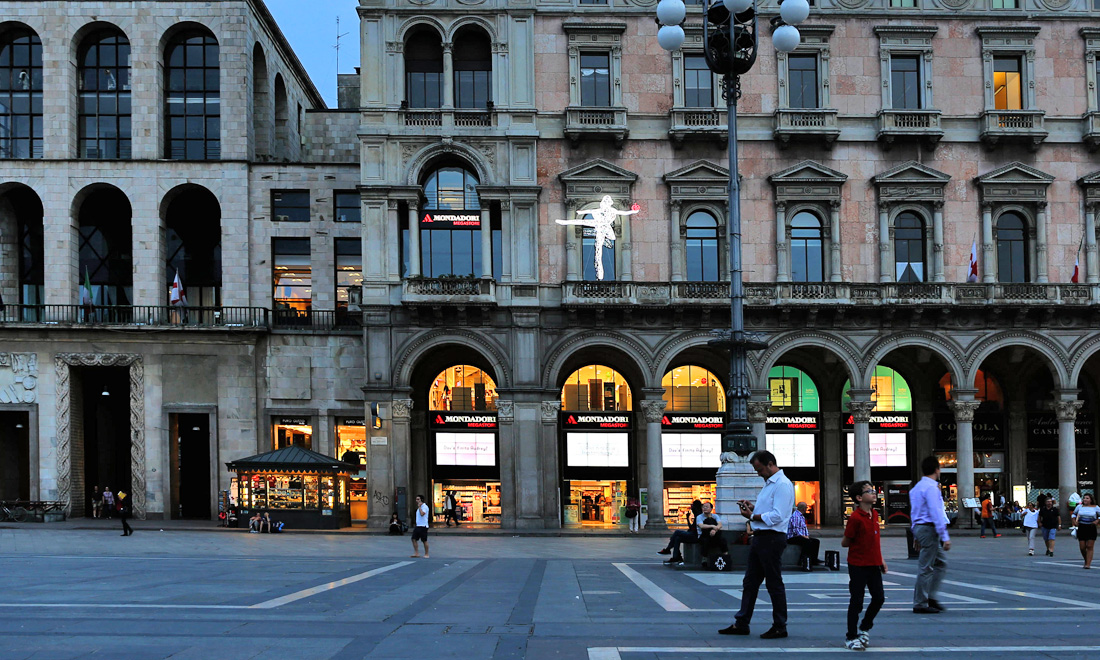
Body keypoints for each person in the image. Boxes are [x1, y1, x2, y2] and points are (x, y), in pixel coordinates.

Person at [718, 450, 795, 640]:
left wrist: (752, 516)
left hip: (772, 538)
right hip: (761, 537)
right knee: (750, 581)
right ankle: (742, 622)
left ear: (770, 464)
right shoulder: (769, 484)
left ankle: (779, 626)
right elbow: (770, 511)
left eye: (759, 469)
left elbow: (779, 515)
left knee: (774, 582)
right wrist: (753, 507)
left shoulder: (783, 485)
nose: (758, 473)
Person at [842, 480, 887, 651]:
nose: (873, 493)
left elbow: (875, 540)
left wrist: (881, 560)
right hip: (858, 564)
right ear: (859, 498)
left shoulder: (874, 515)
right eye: (869, 491)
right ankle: (851, 636)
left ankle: (865, 627)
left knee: (879, 598)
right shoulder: (855, 518)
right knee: (857, 601)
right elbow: (845, 542)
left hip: (873, 563)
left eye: (873, 490)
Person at [909, 456, 951, 614]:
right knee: (926, 567)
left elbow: (914, 513)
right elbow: (936, 512)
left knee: (940, 563)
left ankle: (930, 596)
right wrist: (945, 537)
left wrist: (915, 534)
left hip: (921, 528)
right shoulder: (932, 488)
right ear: (936, 470)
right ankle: (921, 602)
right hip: (929, 529)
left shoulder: (916, 488)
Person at [658, 500, 703, 565]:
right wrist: (688, 519)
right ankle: (676, 557)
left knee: (677, 532)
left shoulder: (699, 516)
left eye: (692, 506)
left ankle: (668, 549)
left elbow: (694, 529)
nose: (691, 508)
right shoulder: (697, 515)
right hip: (693, 534)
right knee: (677, 538)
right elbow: (692, 528)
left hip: (695, 536)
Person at [787, 502, 820, 571]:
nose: (806, 509)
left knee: (816, 541)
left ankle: (813, 560)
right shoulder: (796, 516)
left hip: (800, 536)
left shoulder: (801, 516)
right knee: (807, 542)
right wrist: (804, 537)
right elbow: (796, 529)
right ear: (803, 508)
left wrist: (807, 535)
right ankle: (803, 560)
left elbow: (804, 528)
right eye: (806, 508)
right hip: (792, 536)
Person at [1071, 493, 1098, 569]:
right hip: (1082, 527)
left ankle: (1088, 564)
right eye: (1084, 498)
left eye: (1087, 498)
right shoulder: (1079, 507)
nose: (1085, 499)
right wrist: (1074, 521)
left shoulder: (1095, 507)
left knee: (1089, 546)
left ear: (1091, 500)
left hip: (1091, 527)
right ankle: (1086, 559)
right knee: (1082, 547)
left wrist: (1097, 521)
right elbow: (1074, 514)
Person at [411, 494, 430, 559]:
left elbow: (422, 514)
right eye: (416, 499)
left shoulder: (424, 507)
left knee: (424, 540)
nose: (417, 501)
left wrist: (419, 507)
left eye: (418, 499)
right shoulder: (419, 507)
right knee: (413, 538)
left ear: (421, 500)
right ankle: (416, 553)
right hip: (418, 525)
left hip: (423, 526)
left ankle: (426, 553)